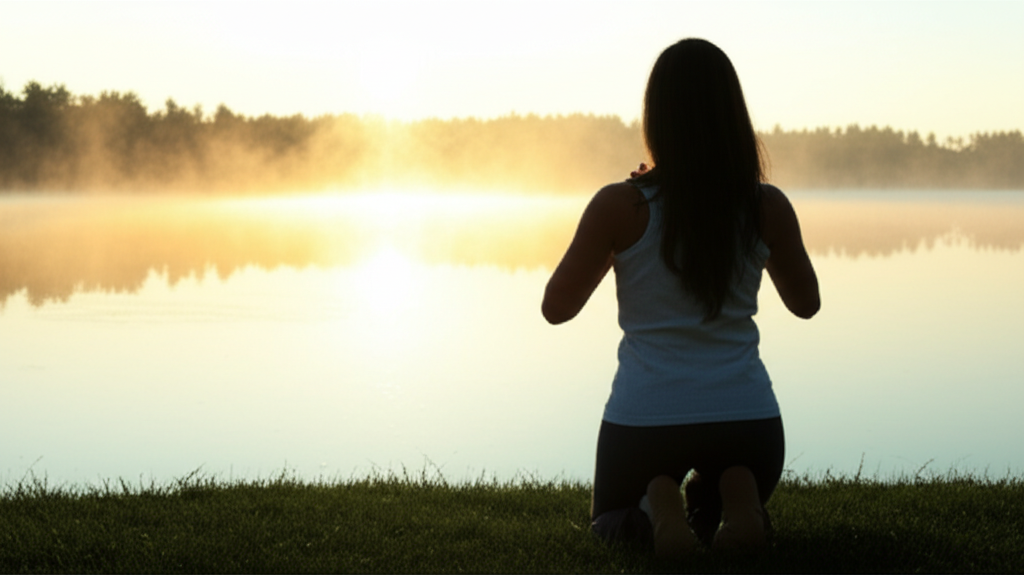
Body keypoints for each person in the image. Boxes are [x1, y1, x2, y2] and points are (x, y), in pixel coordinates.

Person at [541, 38, 819, 559]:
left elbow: (556, 308)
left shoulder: (620, 206)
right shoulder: (766, 206)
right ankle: (736, 497)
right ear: (733, 116)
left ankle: (652, 510)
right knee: (718, 503)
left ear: (657, 119)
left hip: (646, 422)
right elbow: (807, 304)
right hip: (749, 425)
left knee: (606, 522)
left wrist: (621, 241)